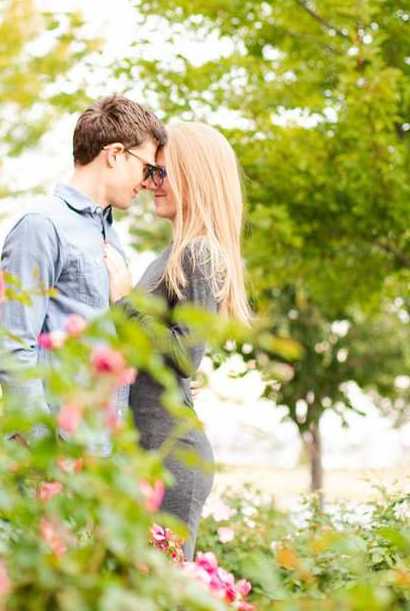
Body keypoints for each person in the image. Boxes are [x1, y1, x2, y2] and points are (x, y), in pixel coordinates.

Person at [105, 121, 254, 557]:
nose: (151, 183)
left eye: (161, 173)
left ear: (195, 177)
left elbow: (187, 353)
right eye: (151, 173)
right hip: (150, 449)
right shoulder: (173, 254)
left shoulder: (199, 250)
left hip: (170, 457)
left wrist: (123, 301)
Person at [0, 94, 167, 454]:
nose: (149, 182)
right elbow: (12, 348)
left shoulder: (110, 235)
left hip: (98, 458)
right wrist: (46, 456)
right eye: (147, 168)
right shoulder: (42, 226)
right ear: (115, 154)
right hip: (57, 462)